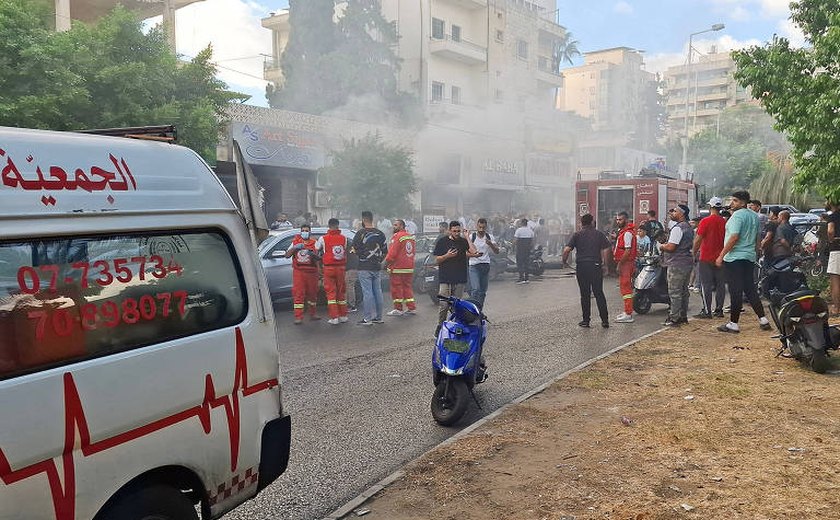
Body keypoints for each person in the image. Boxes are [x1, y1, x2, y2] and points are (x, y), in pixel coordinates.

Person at [716, 191, 773, 333]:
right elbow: (757, 236)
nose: (732, 203)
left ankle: (733, 323)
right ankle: (763, 319)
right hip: (749, 256)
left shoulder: (736, 216)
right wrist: (757, 250)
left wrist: (721, 255)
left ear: (742, 202)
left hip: (734, 257)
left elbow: (734, 237)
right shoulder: (754, 216)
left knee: (735, 290)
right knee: (750, 289)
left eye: (735, 201)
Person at [562, 214, 611, 328]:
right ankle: (605, 321)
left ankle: (586, 320)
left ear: (581, 223)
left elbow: (567, 250)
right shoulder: (599, 234)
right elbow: (606, 249)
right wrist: (606, 265)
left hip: (582, 267)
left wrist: (564, 261)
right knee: (599, 293)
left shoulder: (577, 235)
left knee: (585, 294)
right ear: (592, 222)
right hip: (595, 265)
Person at [433, 221, 478, 336]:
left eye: (458, 231)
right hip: (445, 278)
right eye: (454, 231)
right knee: (443, 304)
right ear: (449, 230)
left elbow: (473, 251)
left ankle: (456, 327)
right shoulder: (442, 242)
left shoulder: (463, 241)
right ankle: (440, 326)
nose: (457, 233)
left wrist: (467, 237)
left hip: (460, 278)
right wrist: (447, 256)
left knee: (457, 306)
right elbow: (437, 260)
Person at [660, 204, 694, 327]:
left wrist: (662, 246)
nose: (671, 213)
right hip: (686, 262)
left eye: (674, 211)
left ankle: (674, 318)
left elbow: (671, 247)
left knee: (675, 292)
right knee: (684, 291)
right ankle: (683, 316)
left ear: (681, 213)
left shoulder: (678, 228)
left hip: (676, 264)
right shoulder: (688, 227)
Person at [692, 197, 727, 319]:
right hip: (721, 257)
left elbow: (698, 239)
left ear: (710, 207)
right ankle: (719, 310)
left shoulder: (705, 221)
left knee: (705, 284)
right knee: (720, 285)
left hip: (706, 257)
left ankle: (707, 311)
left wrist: (693, 252)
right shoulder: (724, 222)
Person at [353, 211, 387, 326]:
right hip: (376, 267)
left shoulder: (360, 234)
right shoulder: (380, 234)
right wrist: (380, 261)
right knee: (378, 291)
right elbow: (385, 251)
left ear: (363, 220)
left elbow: (354, 250)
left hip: (364, 267)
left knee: (367, 293)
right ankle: (379, 317)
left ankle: (368, 319)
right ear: (372, 219)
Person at [316, 218, 349, 325]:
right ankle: (343, 316)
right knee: (341, 292)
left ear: (328, 226)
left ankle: (334, 317)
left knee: (331, 293)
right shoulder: (344, 238)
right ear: (338, 225)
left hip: (329, 268)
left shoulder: (323, 238)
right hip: (341, 268)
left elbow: (316, 248)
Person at [285, 224, 320, 324]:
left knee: (313, 294)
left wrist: (314, 256)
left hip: (312, 273)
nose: (305, 232)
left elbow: (319, 258)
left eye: (306, 230)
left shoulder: (315, 243)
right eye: (303, 230)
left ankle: (313, 314)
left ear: (310, 232)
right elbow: (287, 255)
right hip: (299, 272)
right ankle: (298, 317)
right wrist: (295, 248)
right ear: (300, 232)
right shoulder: (295, 242)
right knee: (298, 294)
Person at [385, 219, 417, 316]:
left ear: (402, 226)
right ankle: (411, 308)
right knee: (407, 288)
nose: (393, 227)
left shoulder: (397, 236)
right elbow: (413, 252)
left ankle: (398, 309)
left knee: (396, 288)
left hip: (398, 267)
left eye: (396, 225)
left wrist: (385, 263)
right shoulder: (410, 237)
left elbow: (392, 253)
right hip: (409, 267)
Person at [468, 217, 500, 308]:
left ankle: (479, 310)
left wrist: (491, 244)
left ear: (486, 228)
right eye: (480, 227)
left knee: (482, 291)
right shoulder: (471, 237)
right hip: (474, 265)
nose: (481, 230)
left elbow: (497, 251)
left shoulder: (489, 237)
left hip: (485, 265)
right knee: (475, 289)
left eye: (483, 228)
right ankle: (472, 309)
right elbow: (466, 252)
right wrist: (474, 255)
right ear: (477, 226)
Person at [613, 212, 637, 323]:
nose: (618, 221)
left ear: (626, 220)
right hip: (626, 263)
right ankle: (627, 311)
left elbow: (627, 251)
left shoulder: (627, 233)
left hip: (626, 264)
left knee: (626, 289)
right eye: (617, 219)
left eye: (620, 219)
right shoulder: (625, 232)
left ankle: (628, 314)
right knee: (624, 289)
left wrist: (620, 264)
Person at [826, 201, 840, 316]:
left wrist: (831, 240)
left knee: (835, 280)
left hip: (837, 249)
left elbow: (830, 231)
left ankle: (836, 308)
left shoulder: (833, 216)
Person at [514, 218, 535, 284]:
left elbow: (515, 240)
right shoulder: (530, 230)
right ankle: (527, 278)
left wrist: (513, 245)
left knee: (520, 263)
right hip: (527, 249)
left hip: (520, 249)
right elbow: (532, 241)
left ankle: (521, 278)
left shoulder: (519, 230)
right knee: (526, 263)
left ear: (522, 223)